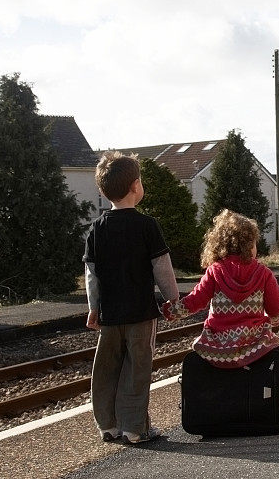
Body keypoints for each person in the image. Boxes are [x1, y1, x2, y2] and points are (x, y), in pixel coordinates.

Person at [84, 151, 179, 444]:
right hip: (140, 313)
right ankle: (135, 429)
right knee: (137, 370)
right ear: (136, 186)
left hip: (110, 314)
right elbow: (161, 267)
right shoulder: (147, 225)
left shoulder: (96, 229)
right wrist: (173, 299)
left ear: (102, 190)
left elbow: (92, 275)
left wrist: (93, 308)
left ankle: (108, 426)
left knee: (106, 369)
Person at [161, 209, 279, 368]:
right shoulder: (263, 273)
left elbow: (196, 300)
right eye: (254, 243)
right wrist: (275, 320)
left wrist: (171, 311)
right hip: (255, 346)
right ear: (248, 246)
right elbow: (275, 308)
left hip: (217, 349)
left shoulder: (215, 271)